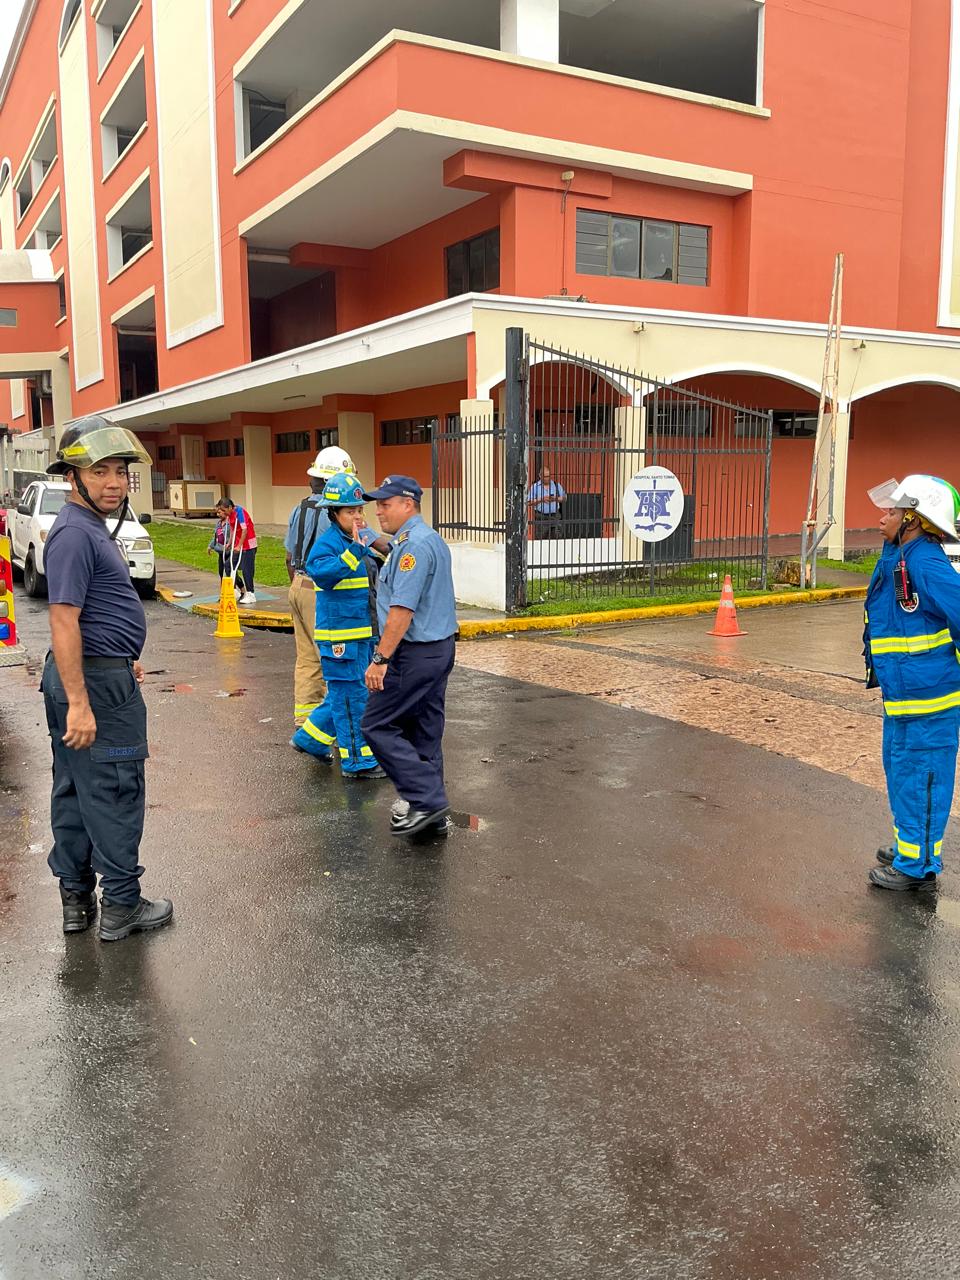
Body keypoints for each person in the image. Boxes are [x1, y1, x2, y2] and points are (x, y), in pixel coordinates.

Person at [40, 414, 173, 941]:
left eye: (120, 470)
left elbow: (90, 615)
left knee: (74, 790)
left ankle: (76, 902)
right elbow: (62, 618)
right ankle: (121, 905)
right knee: (116, 790)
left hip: (97, 672)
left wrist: (118, 654)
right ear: (73, 479)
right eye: (100, 471)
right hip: (93, 687)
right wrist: (80, 698)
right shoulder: (75, 533)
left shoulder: (87, 528)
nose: (114, 482)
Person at [864, 474, 960, 891]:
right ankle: (910, 847)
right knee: (902, 772)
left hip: (930, 703)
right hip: (904, 699)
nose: (883, 516)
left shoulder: (925, 562)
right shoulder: (900, 555)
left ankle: (917, 864)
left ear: (915, 520)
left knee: (922, 777)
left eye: (893, 511)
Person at [360, 475, 458, 837]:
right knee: (425, 730)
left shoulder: (413, 547)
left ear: (408, 504)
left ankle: (428, 799)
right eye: (377, 504)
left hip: (414, 654)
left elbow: (402, 609)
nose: (378, 510)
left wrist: (381, 660)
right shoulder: (419, 539)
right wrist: (372, 538)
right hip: (438, 649)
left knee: (377, 724)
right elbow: (396, 552)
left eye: (385, 504)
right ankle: (432, 818)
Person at [291, 471, 387, 779]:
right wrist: (354, 553)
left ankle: (309, 739)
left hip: (361, 637)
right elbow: (324, 574)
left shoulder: (356, 538)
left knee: (344, 694)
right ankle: (357, 763)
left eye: (360, 510)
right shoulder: (329, 545)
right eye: (350, 511)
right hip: (340, 641)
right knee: (352, 701)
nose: (358, 516)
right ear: (334, 513)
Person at [284, 445, 357, 729]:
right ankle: (332, 724)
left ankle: (305, 718)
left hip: (298, 587)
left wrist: (298, 586)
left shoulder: (298, 509)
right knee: (332, 657)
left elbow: (290, 557)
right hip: (321, 591)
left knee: (306, 661)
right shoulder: (335, 516)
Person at [216, 497, 257, 604]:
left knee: (246, 569)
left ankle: (251, 593)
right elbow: (233, 530)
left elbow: (244, 530)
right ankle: (234, 590)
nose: (223, 513)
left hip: (249, 545)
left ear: (230, 507)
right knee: (228, 565)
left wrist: (239, 546)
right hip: (239, 544)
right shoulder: (230, 516)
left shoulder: (240, 512)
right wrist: (229, 543)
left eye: (224, 510)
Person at [527, 465, 566, 538]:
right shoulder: (535, 487)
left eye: (548, 476)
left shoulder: (556, 485)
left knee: (557, 538)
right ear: (540, 476)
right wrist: (541, 499)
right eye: (545, 476)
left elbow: (564, 498)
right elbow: (529, 502)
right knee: (542, 539)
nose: (547, 478)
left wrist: (555, 498)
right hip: (541, 517)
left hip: (555, 516)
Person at [207, 513, 230, 580]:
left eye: (220, 512)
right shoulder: (219, 523)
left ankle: (241, 588)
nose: (218, 514)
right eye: (217, 512)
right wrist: (210, 546)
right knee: (221, 571)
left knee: (229, 571)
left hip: (229, 551)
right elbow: (216, 536)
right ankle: (223, 589)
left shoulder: (230, 523)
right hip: (221, 551)